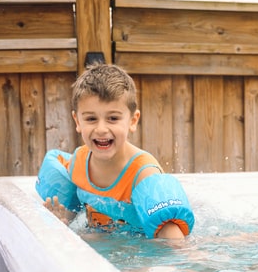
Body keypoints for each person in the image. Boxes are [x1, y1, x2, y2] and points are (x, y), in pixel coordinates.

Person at [37, 64, 194, 239]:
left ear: (133, 121)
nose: (101, 129)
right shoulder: (78, 163)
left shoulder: (143, 174)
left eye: (113, 118)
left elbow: (174, 244)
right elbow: (76, 214)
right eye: (91, 119)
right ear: (77, 121)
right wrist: (62, 220)